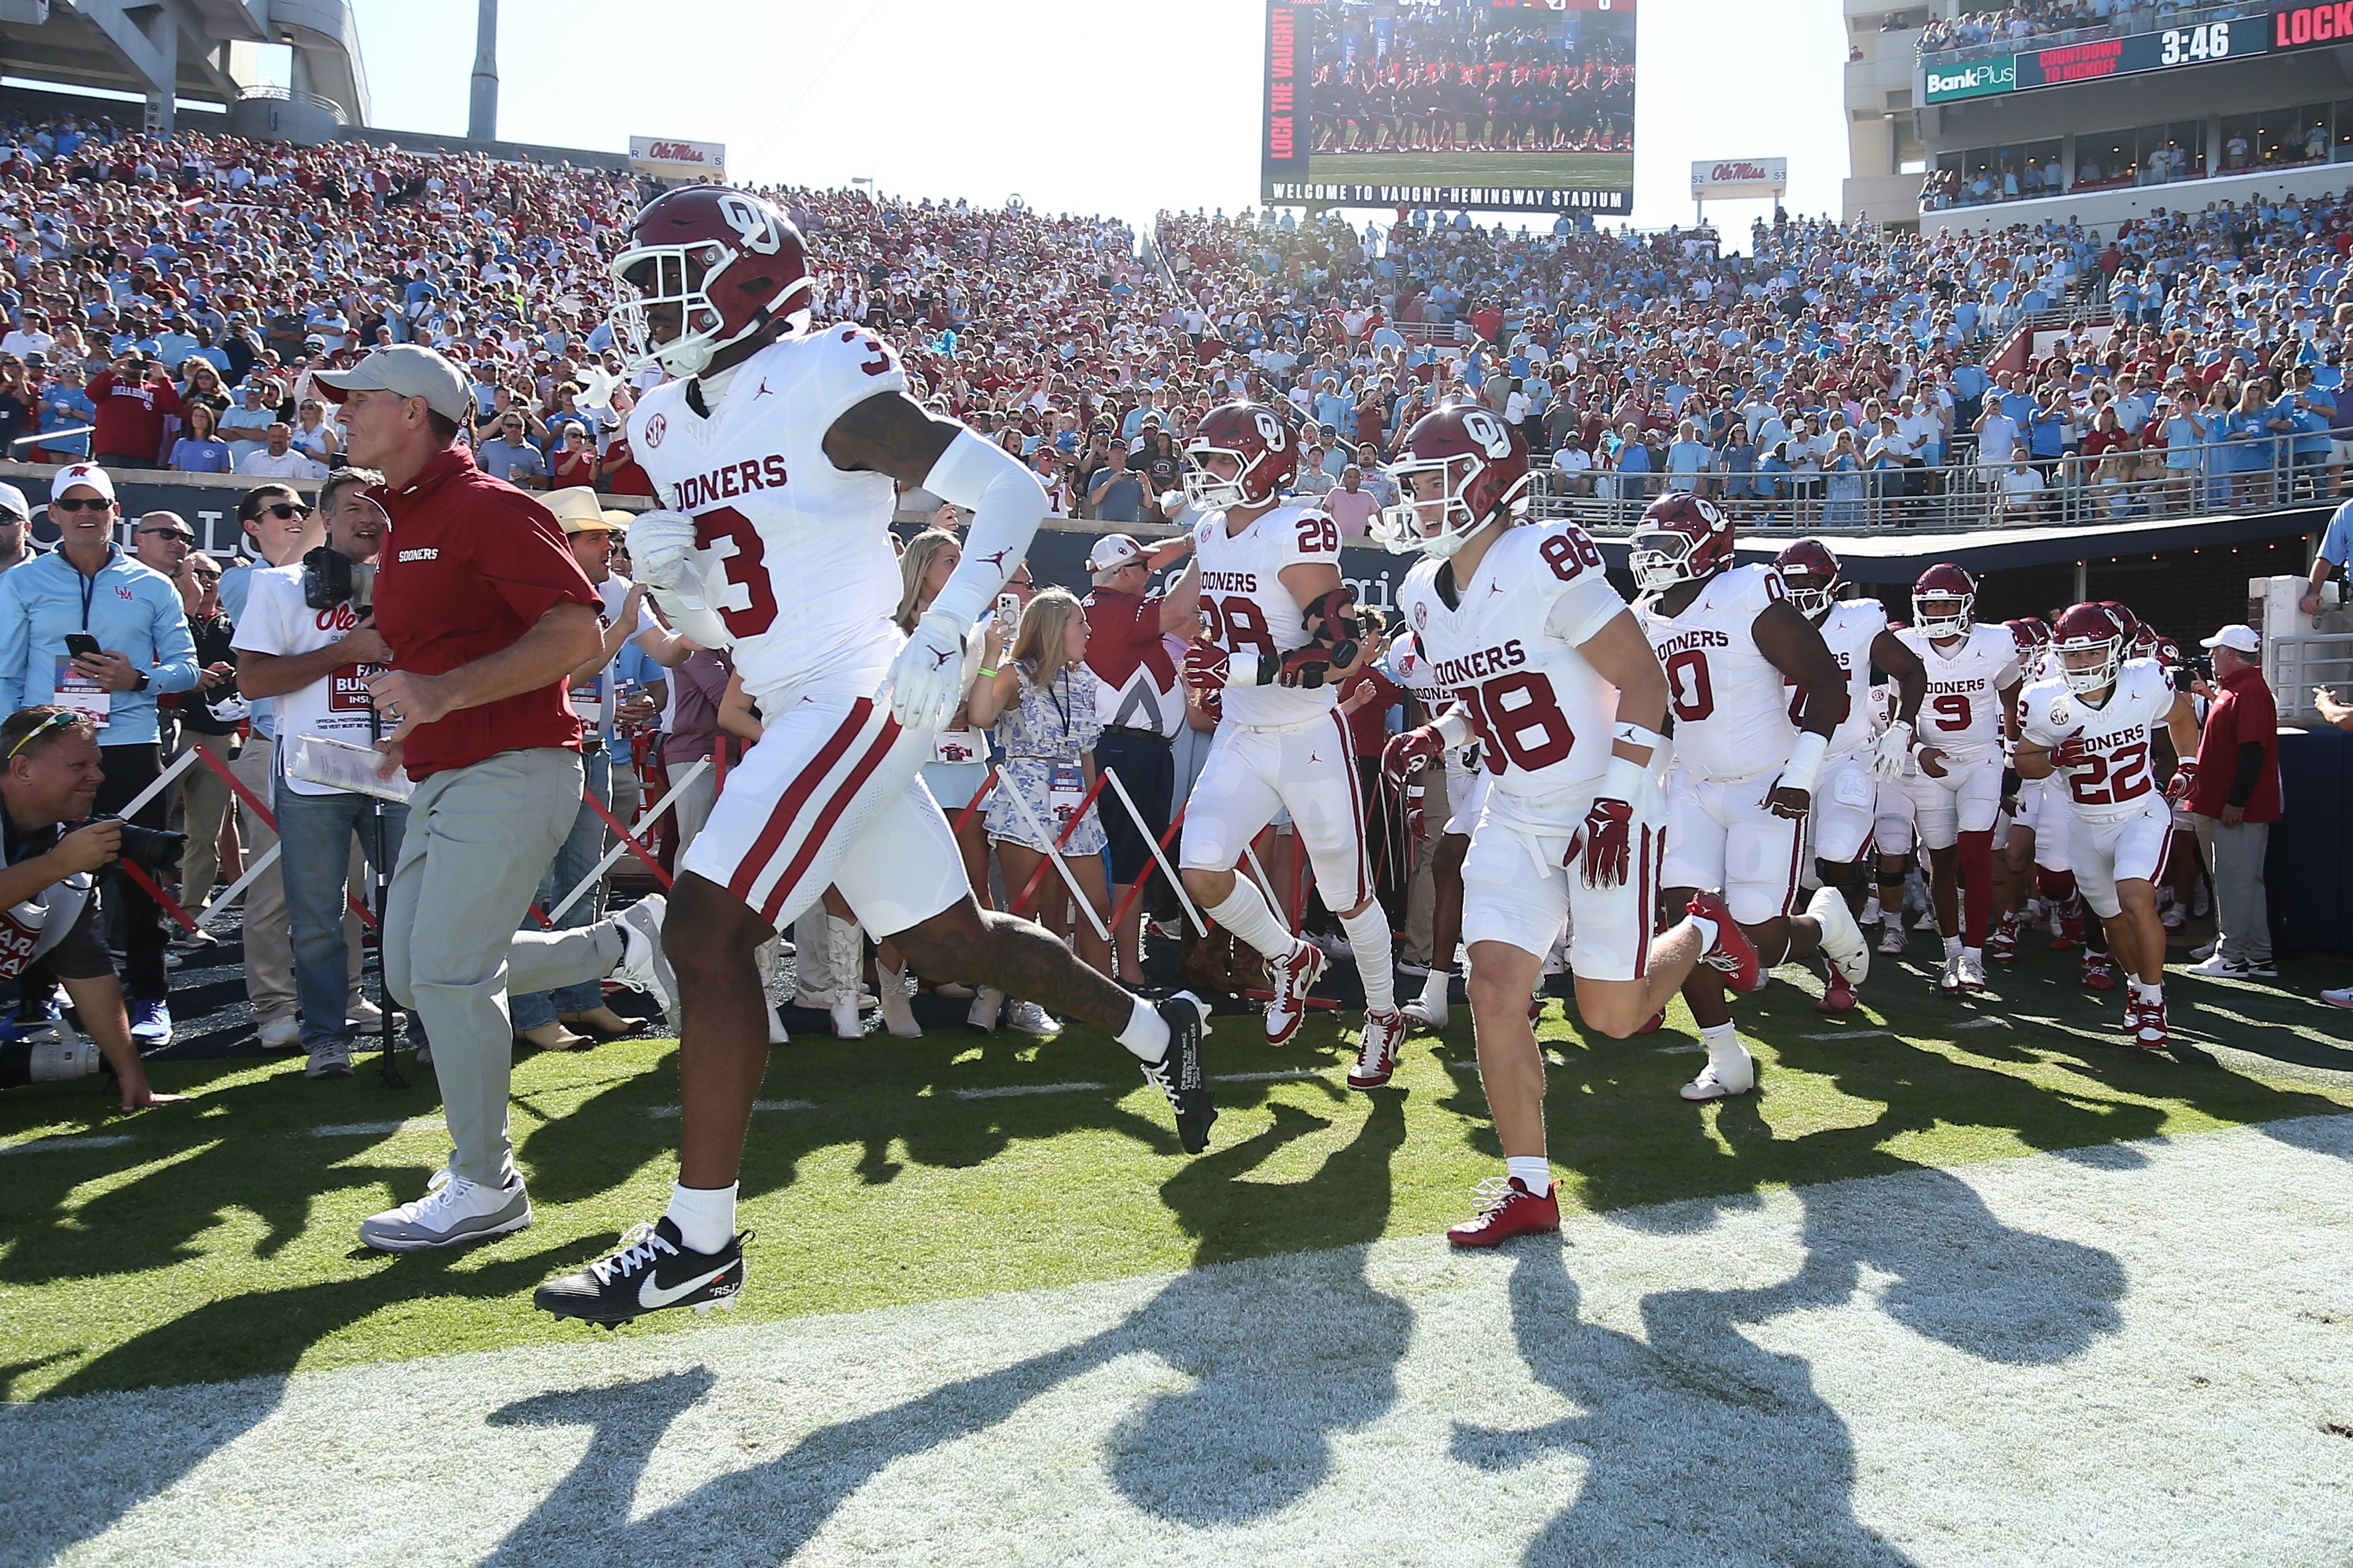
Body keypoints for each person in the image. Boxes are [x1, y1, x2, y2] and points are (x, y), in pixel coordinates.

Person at [531, 188, 1210, 1327]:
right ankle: (1159, 1028)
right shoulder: (661, 420)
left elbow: (1011, 489)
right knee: (947, 939)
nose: (645, 304)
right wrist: (672, 576)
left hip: (863, 683)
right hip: (793, 687)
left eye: (666, 276)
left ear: (744, 281)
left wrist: (945, 633)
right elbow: (713, 628)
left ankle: (699, 1240)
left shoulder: (816, 375)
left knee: (706, 931)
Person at [312, 344, 672, 1251]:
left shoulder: (488, 506)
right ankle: (625, 941)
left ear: (414, 410)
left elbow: (574, 630)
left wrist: (442, 696)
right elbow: (445, 656)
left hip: (511, 768)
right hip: (448, 774)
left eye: (360, 400)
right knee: (409, 977)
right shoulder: (410, 519)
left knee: (447, 975)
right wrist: (417, 727)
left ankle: (485, 1183)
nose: (343, 413)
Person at [1380, 406, 1742, 1246]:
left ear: (1486, 481)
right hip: (1513, 806)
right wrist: (1442, 732)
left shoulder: (1542, 554)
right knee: (1495, 989)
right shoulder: (1419, 591)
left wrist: (1617, 799)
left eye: (1432, 485)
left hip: (1601, 805)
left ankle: (1698, 929)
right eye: (1413, 488)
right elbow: (1498, 691)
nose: (1419, 504)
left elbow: (1643, 684)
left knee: (1611, 1019)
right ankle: (1529, 1188)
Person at [1175, 400, 1404, 1071]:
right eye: (1206, 460)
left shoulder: (1297, 529)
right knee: (1203, 869)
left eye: (1222, 458)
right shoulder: (1212, 530)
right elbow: (1199, 616)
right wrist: (1203, 648)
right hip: (1244, 730)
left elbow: (1339, 654)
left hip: (1307, 732)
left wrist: (1234, 664)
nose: (1209, 472)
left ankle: (1383, 1014)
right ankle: (1288, 956)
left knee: (1345, 891)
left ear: (1262, 462)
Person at [1632, 491, 1867, 1102]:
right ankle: (1726, 1056)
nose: (1652, 561)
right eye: (1647, 547)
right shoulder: (1645, 615)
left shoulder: (1747, 593)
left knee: (1760, 940)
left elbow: (1828, 683)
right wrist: (1637, 790)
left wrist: (1802, 772)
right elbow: (1658, 716)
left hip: (1766, 783)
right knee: (1689, 922)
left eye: (1666, 547)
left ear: (1706, 548)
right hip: (1691, 782)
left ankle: (1825, 926)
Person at [0, 464, 200, 1045]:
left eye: (98, 502)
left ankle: (150, 999)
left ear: (117, 511)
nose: (86, 513)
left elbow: (186, 668)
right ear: (53, 513)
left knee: (139, 877)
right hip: (43, 755)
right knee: (37, 878)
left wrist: (137, 678)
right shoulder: (22, 583)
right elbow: (8, 672)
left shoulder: (152, 584)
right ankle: (37, 998)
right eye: (73, 503)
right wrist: (11, 748)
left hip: (129, 745)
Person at [229, 467, 404, 1079]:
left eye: (379, 507)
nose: (367, 517)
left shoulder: (415, 586)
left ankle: (432, 1024)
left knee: (416, 907)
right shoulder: (278, 587)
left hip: (401, 769)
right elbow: (252, 680)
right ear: (325, 519)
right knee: (317, 915)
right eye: (353, 506)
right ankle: (327, 1036)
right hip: (314, 775)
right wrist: (344, 653)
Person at [508, 488, 658, 1048]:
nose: (609, 547)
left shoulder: (594, 595)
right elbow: (559, 679)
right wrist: (621, 627)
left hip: (589, 750)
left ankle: (579, 998)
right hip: (541, 756)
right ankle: (532, 1013)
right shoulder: (534, 599)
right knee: (538, 888)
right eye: (597, 537)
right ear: (563, 545)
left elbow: (663, 656)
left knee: (585, 883)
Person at [2016, 604, 2202, 1052]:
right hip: (2085, 822)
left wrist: (2190, 762)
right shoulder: (2046, 700)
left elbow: (2180, 716)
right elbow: (2024, 760)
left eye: (2091, 653)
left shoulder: (2143, 680)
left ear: (2115, 650)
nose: (2080, 664)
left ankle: (2155, 1001)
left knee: (2135, 896)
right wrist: (2057, 758)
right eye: (2072, 655)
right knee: (2112, 919)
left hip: (2140, 810)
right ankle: (2137, 986)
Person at [0, 707, 185, 1111]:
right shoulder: (64, 858)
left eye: (97, 764)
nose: (98, 776)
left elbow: (89, 971)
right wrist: (55, 865)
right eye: (78, 765)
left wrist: (130, 1076)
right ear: (22, 768)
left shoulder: (67, 852)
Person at [1770, 539, 1925, 1011]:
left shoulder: (1857, 622)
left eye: (1808, 580)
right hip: (1781, 759)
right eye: (1791, 580)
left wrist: (1902, 727)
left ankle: (1841, 965)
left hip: (1844, 757)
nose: (1799, 590)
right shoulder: (1762, 623)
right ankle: (1765, 949)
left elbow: (1911, 670)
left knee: (1840, 858)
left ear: (1830, 582)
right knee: (1780, 869)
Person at [968, 588, 1112, 992]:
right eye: (1079, 622)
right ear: (1054, 628)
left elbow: (1087, 751)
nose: (1088, 631)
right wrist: (993, 656)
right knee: (1024, 908)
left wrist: (1092, 808)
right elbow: (981, 715)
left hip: (1075, 804)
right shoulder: (1017, 674)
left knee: (1095, 905)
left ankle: (1101, 996)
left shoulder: (1082, 678)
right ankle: (1020, 998)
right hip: (1026, 800)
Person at [1896, 565, 2023, 994]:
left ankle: (1974, 957)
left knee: (1975, 852)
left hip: (1979, 759)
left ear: (1966, 605)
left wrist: (2011, 748)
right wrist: (1916, 749)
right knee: (1941, 860)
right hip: (1932, 763)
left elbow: (2011, 696)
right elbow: (1901, 716)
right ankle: (1951, 952)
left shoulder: (1994, 643)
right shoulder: (1907, 647)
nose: (1939, 611)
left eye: (1948, 603)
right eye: (1931, 603)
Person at [1080, 532, 1198, 981]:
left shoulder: (1110, 602)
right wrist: (1208, 550)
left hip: (1137, 751)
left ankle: (1116, 965)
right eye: (1144, 569)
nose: (1153, 573)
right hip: (1127, 752)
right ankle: (1125, 968)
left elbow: (1146, 564)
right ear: (1124, 574)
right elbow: (1180, 608)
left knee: (1131, 861)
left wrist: (1191, 540)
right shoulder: (1115, 609)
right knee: (1127, 864)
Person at [2182, 625, 2277, 981]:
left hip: (2234, 807)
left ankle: (2234, 955)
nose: (2212, 657)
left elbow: (2252, 751)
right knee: (2240, 881)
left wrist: (2237, 801)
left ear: (2232, 655)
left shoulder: (2248, 690)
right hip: (2224, 804)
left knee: (2235, 880)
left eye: (2217, 651)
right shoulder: (2238, 688)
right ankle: (2255, 954)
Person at [163, 549, 242, 942]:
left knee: (206, 832)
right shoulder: (171, 619)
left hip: (219, 734)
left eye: (214, 574)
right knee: (150, 826)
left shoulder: (232, 625)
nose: (208, 581)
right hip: (177, 733)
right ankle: (146, 916)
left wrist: (232, 674)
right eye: (198, 574)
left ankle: (191, 916)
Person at [237, 422, 321, 479]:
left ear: (289, 438)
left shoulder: (300, 461)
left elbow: (306, 488)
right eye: (273, 436)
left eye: (281, 437)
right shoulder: (252, 458)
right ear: (268, 437)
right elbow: (240, 483)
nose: (277, 440)